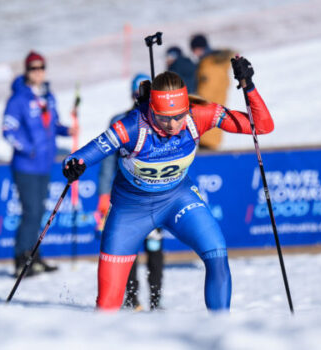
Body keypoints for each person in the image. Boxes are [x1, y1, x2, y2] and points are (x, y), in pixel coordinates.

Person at [63, 57, 274, 311]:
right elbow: (84, 155)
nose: (173, 125)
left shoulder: (199, 116)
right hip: (131, 210)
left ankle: (221, 334)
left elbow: (262, 126)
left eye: (178, 116)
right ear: (151, 108)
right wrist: (74, 165)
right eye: (164, 118)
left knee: (217, 255)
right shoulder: (132, 126)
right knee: (108, 304)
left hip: (178, 201)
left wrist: (248, 86)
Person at [2, 51, 76, 277]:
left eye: (41, 67)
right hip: (26, 166)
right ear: (26, 71)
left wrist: (66, 130)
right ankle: (21, 259)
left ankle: (35, 256)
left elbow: (52, 124)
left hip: (45, 165)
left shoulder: (48, 96)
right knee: (30, 212)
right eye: (33, 68)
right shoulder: (18, 99)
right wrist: (30, 149)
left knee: (39, 213)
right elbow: (8, 131)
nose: (38, 71)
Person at [97, 73, 164, 311]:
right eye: (138, 91)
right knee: (129, 250)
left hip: (154, 197)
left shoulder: (163, 120)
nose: (141, 95)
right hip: (127, 197)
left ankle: (156, 301)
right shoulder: (120, 120)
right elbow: (106, 162)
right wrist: (104, 194)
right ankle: (131, 298)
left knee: (154, 248)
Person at [190, 34, 235, 150]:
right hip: (214, 122)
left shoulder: (209, 66)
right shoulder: (215, 64)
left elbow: (206, 96)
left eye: (195, 50)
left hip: (206, 124)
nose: (194, 54)